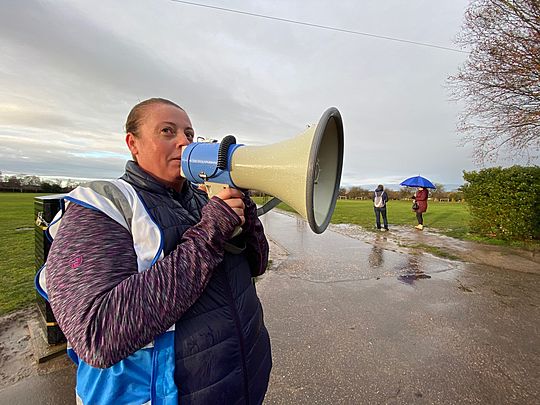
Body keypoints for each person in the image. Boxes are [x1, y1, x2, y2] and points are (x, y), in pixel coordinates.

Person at [42, 98, 272, 404]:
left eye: (189, 134)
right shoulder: (104, 206)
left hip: (242, 382)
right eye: (167, 131)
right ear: (133, 143)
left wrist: (247, 213)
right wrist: (210, 233)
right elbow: (97, 335)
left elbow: (256, 265)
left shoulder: (205, 200)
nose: (184, 142)